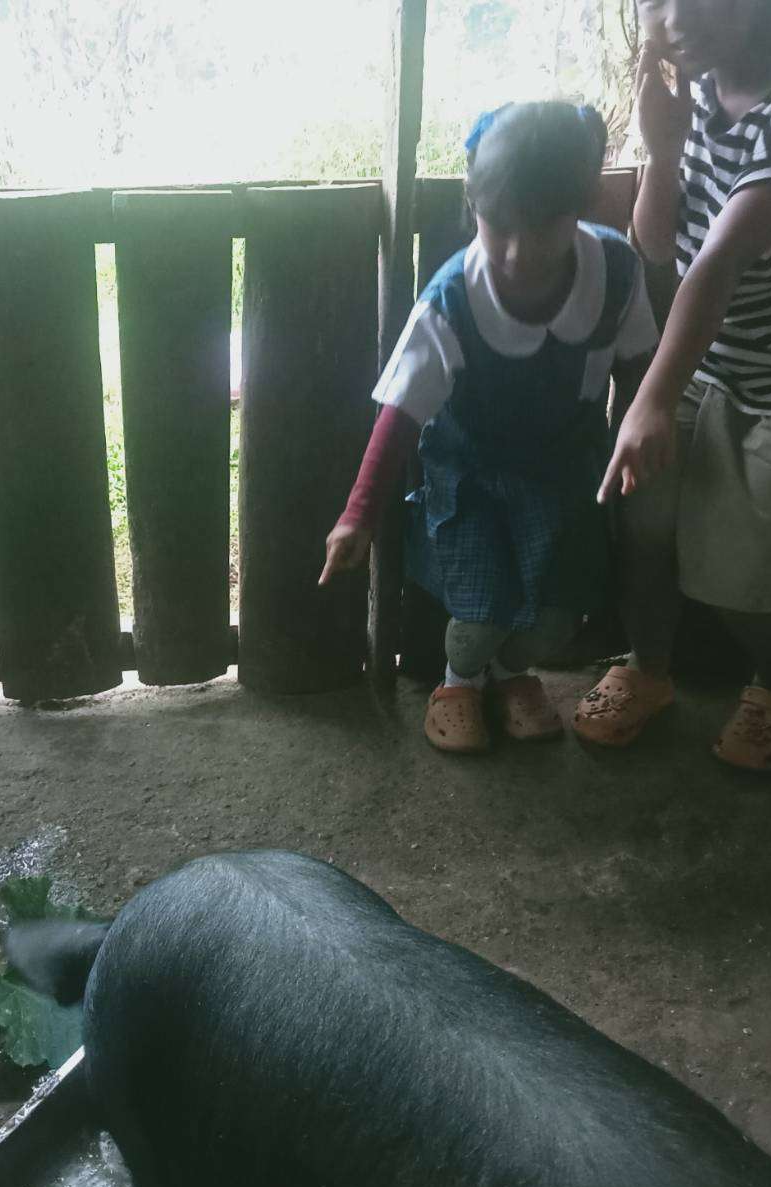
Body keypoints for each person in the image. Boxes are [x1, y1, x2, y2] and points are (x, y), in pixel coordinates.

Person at [574, 0, 771, 772]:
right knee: (645, 526)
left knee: (746, 579)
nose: (672, 20)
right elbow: (657, 245)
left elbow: (720, 261)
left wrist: (651, 397)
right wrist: (664, 148)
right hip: (714, 353)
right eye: (655, 1)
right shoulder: (701, 82)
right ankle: (648, 669)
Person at [320, 101, 657, 754]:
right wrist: (358, 515)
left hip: (566, 475)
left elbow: (640, 363)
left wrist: (646, 426)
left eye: (539, 230)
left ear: (580, 207)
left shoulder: (615, 273)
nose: (511, 251)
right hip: (472, 478)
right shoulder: (453, 300)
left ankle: (510, 673)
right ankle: (460, 679)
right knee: (479, 611)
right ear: (473, 202)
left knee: (558, 617)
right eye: (493, 225)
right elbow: (401, 408)